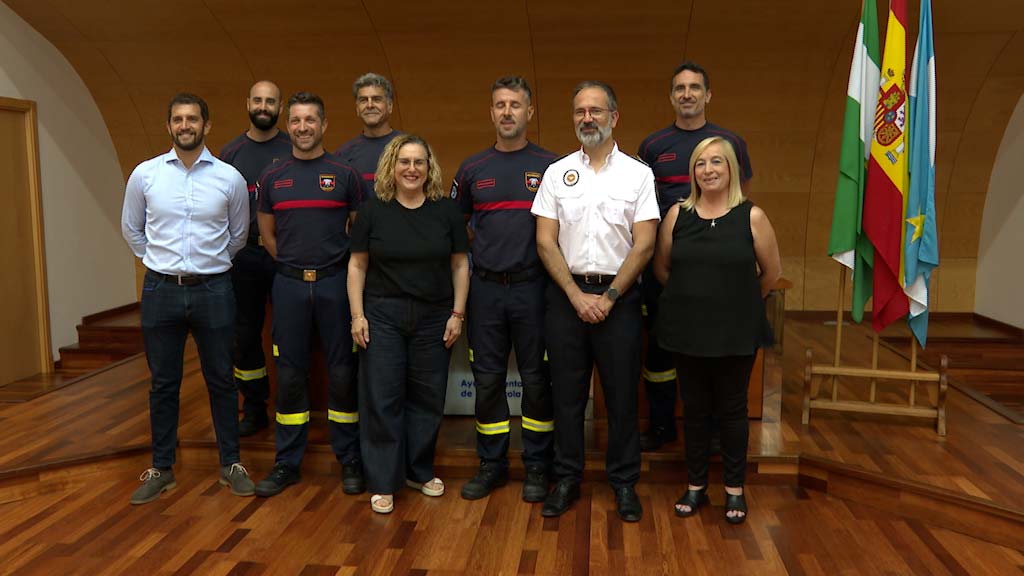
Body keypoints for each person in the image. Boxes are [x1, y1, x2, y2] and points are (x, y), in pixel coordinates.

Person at [531, 81, 659, 522]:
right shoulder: (556, 172)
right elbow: (545, 241)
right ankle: (566, 478)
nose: (587, 118)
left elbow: (644, 245)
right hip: (566, 298)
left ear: (614, 117)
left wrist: (606, 297)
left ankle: (624, 483)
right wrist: (575, 295)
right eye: (580, 111)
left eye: (596, 111)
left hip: (618, 300)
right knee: (566, 396)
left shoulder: (639, 175)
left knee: (622, 396)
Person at [121, 92, 254, 504]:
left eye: (192, 119)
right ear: (169, 126)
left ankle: (231, 463)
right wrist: (158, 261)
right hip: (161, 289)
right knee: (163, 384)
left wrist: (207, 265)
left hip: (214, 290)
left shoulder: (228, 178)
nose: (185, 125)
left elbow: (239, 236)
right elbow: (132, 229)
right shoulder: (145, 175)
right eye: (177, 119)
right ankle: (162, 468)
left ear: (206, 125)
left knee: (221, 380)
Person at [653, 136, 780, 525]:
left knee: (732, 411)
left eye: (717, 163)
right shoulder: (678, 215)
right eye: (701, 163)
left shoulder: (752, 216)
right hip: (687, 330)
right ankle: (695, 486)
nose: (708, 170)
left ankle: (734, 490)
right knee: (693, 410)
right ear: (693, 172)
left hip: (736, 332)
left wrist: (736, 304)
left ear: (732, 170)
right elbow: (662, 268)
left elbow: (771, 274)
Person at [348, 134, 470, 515]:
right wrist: (357, 315)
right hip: (382, 315)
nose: (412, 169)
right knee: (382, 399)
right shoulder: (373, 210)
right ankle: (384, 481)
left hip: (435, 316)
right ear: (391, 167)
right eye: (404, 161)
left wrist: (457, 313)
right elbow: (357, 265)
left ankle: (419, 471)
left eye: (419, 162)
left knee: (427, 397)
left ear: (429, 167)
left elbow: (460, 264)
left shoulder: (446, 211)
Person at [636, 61, 754, 451]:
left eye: (694, 88)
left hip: (717, 273)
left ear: (708, 95)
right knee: (661, 349)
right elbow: (643, 208)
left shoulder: (730, 142)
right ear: (671, 97)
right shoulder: (652, 147)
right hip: (665, 269)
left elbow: (741, 199)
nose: (687, 94)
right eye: (679, 89)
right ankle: (662, 424)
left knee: (715, 351)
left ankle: (717, 431)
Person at [451, 76, 557, 502]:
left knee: (535, 381)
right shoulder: (472, 168)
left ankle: (537, 467)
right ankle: (491, 465)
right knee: (488, 381)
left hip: (534, 289)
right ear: (491, 112)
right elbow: (456, 228)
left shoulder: (553, 167)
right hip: (487, 291)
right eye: (500, 105)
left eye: (515, 105)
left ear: (530, 112)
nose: (507, 112)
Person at [252, 92, 364, 497]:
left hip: (336, 284)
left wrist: (326, 267)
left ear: (324, 125)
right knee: (292, 375)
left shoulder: (344, 173)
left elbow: (358, 231)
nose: (303, 128)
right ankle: (287, 462)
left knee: (341, 374)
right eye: (296, 121)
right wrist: (299, 267)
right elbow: (266, 235)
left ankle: (349, 458)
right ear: (288, 125)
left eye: (310, 120)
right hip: (289, 285)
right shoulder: (273, 176)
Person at [218, 80, 292, 437]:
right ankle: (255, 407)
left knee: (289, 333)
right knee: (244, 335)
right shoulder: (229, 154)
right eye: (258, 100)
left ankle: (293, 406)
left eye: (271, 101)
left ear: (280, 107)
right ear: (247, 103)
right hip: (243, 256)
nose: (264, 106)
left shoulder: (294, 148)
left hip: (285, 255)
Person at [335, 73, 402, 206]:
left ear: (390, 106)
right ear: (357, 109)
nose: (370, 105)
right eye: (363, 100)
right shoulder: (343, 155)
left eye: (377, 99)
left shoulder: (410, 148)